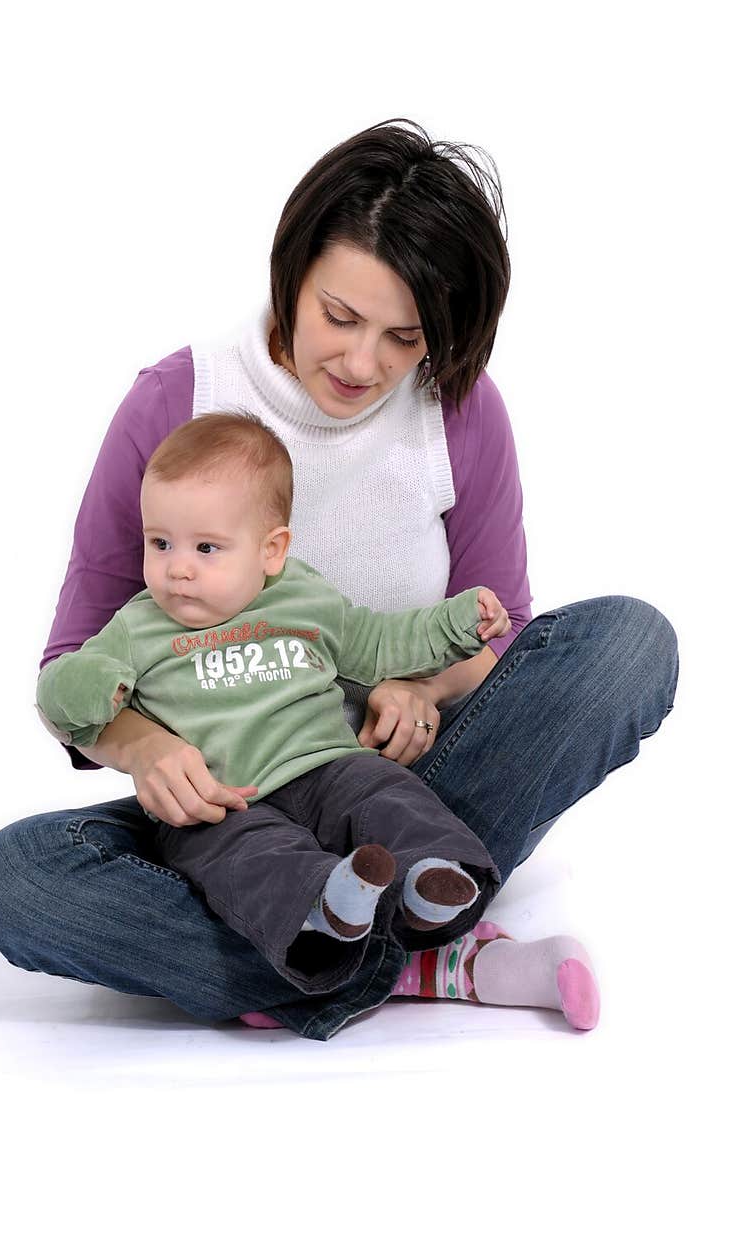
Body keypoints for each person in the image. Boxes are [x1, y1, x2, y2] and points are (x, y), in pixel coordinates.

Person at [0, 119, 678, 1040]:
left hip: (399, 784)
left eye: (405, 337)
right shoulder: (176, 402)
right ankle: (424, 952)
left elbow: (501, 638)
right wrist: (150, 754)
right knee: (17, 876)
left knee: (628, 642)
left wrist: (422, 688)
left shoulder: (457, 412)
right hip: (224, 809)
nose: (361, 363)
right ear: (292, 271)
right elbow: (74, 664)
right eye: (339, 317)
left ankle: (329, 945)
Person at [36, 410, 598, 1026]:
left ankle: (430, 877)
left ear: (271, 550)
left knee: (388, 795)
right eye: (159, 543)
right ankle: (330, 911)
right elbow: (62, 692)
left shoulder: (302, 598)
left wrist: (455, 626)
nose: (178, 568)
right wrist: (93, 685)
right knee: (247, 861)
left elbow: (376, 643)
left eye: (206, 548)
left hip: (330, 765)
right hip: (223, 805)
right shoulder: (137, 626)